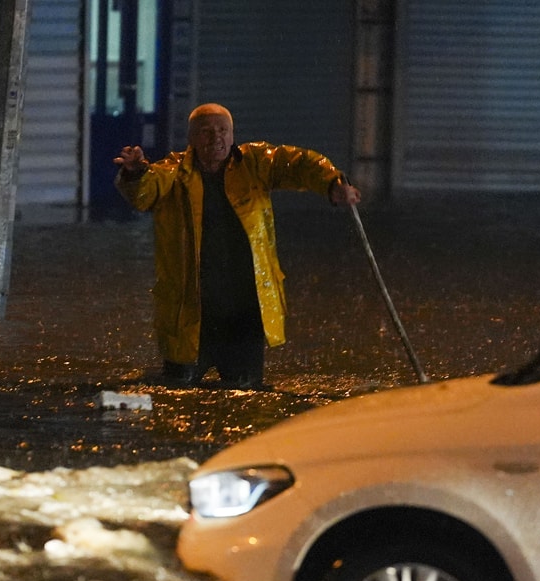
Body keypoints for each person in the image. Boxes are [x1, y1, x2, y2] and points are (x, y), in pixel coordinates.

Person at [114, 102, 361, 389]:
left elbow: (299, 164)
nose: (216, 138)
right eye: (206, 132)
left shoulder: (255, 164)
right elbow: (144, 193)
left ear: (232, 135)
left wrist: (332, 184)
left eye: (223, 130)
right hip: (192, 314)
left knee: (247, 391)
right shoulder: (172, 172)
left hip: (245, 312)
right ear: (192, 138)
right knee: (177, 388)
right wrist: (135, 172)